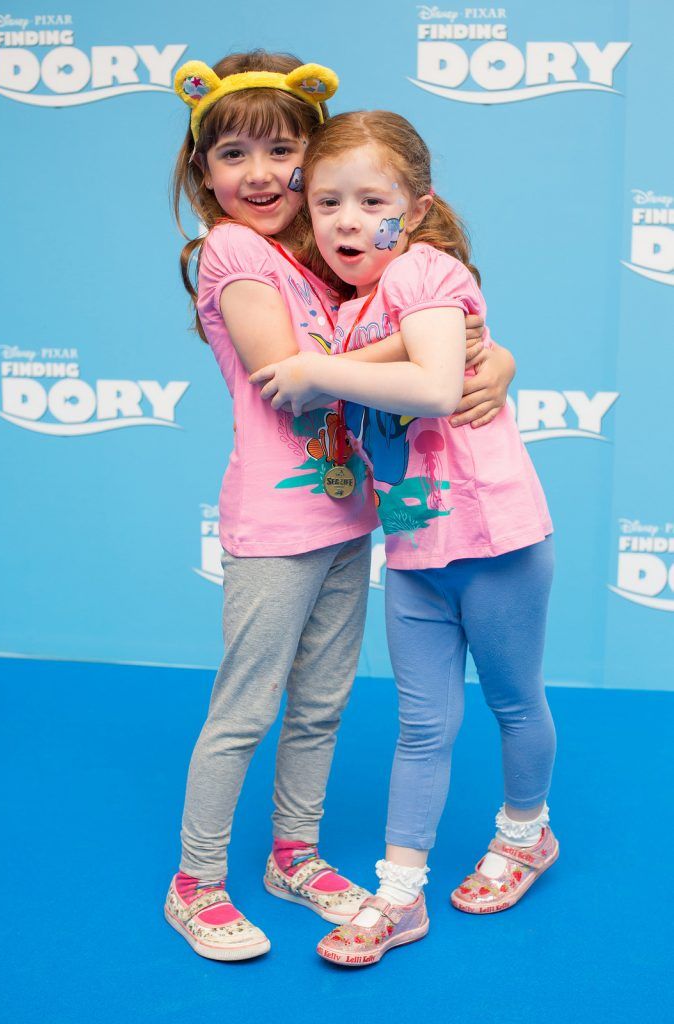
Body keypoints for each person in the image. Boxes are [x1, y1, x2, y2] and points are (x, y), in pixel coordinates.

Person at [252, 110, 557, 967]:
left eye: (371, 201)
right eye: (327, 203)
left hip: (496, 540)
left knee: (512, 702)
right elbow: (419, 361)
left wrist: (315, 372)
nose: (348, 221)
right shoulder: (350, 306)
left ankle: (527, 832)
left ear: (416, 210)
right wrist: (493, 357)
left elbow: (428, 387)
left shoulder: (425, 268)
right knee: (421, 726)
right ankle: (399, 897)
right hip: (418, 550)